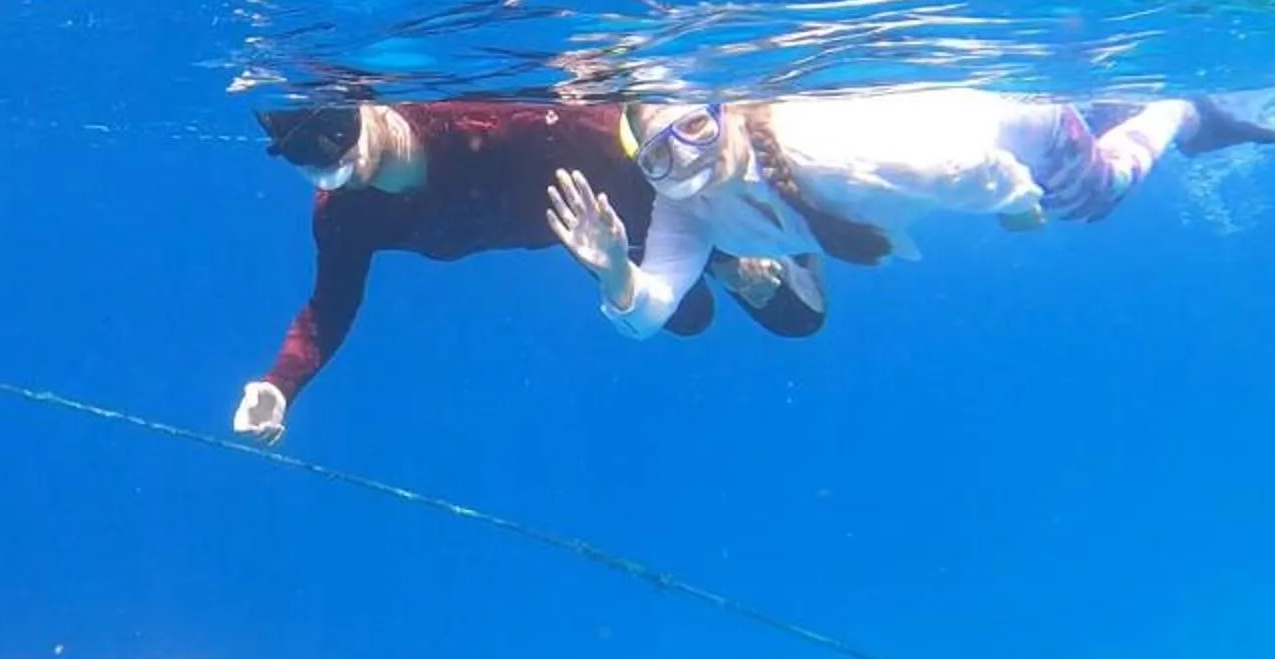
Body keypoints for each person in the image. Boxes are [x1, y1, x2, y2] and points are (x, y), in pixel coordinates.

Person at [233, 99, 829, 445]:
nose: (333, 157)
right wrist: (278, 385)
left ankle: (776, 240)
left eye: (335, 132)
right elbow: (328, 307)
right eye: (304, 152)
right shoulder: (347, 215)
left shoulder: (478, 119)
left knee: (795, 316)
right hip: (585, 233)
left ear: (365, 102)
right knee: (688, 319)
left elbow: (619, 130)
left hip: (625, 189)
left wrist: (719, 236)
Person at [544, 87, 1275, 339]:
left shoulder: (827, 154)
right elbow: (648, 315)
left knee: (1092, 196)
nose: (687, 162)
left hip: (1012, 128)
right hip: (955, 154)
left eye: (695, 129)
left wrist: (1020, 209)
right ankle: (1112, 106)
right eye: (660, 157)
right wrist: (615, 272)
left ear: (724, 112)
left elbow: (974, 166)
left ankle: (1177, 113)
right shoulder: (687, 209)